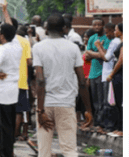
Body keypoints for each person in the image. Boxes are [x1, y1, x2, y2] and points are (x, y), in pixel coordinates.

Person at [34, 14, 93, 157]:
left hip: (46, 103)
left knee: (44, 150)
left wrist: (40, 111)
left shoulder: (38, 47)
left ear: (46, 29)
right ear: (64, 29)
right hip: (66, 103)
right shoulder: (73, 48)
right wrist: (88, 109)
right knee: (69, 150)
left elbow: (40, 81)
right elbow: (81, 81)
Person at [0, 22, 22, 157]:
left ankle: (5, 153)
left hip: (2, 90)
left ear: (2, 36)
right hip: (13, 89)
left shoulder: (3, 49)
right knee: (9, 123)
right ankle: (9, 152)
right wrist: (5, 10)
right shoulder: (17, 46)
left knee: (1, 126)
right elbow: (11, 30)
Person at [95, 23, 123, 136]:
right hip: (113, 74)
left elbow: (117, 59)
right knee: (113, 102)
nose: (115, 32)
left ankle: (113, 127)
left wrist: (112, 73)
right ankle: (116, 127)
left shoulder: (119, 42)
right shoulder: (118, 42)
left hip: (115, 74)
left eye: (115, 30)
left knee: (113, 102)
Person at [84, 18, 109, 131]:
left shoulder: (107, 38)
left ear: (103, 25)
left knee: (102, 100)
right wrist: (97, 54)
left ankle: (101, 124)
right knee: (94, 100)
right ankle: (96, 123)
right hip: (93, 73)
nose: (97, 27)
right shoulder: (92, 38)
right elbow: (87, 54)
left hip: (103, 72)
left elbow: (105, 56)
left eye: (99, 25)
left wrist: (95, 54)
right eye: (95, 25)